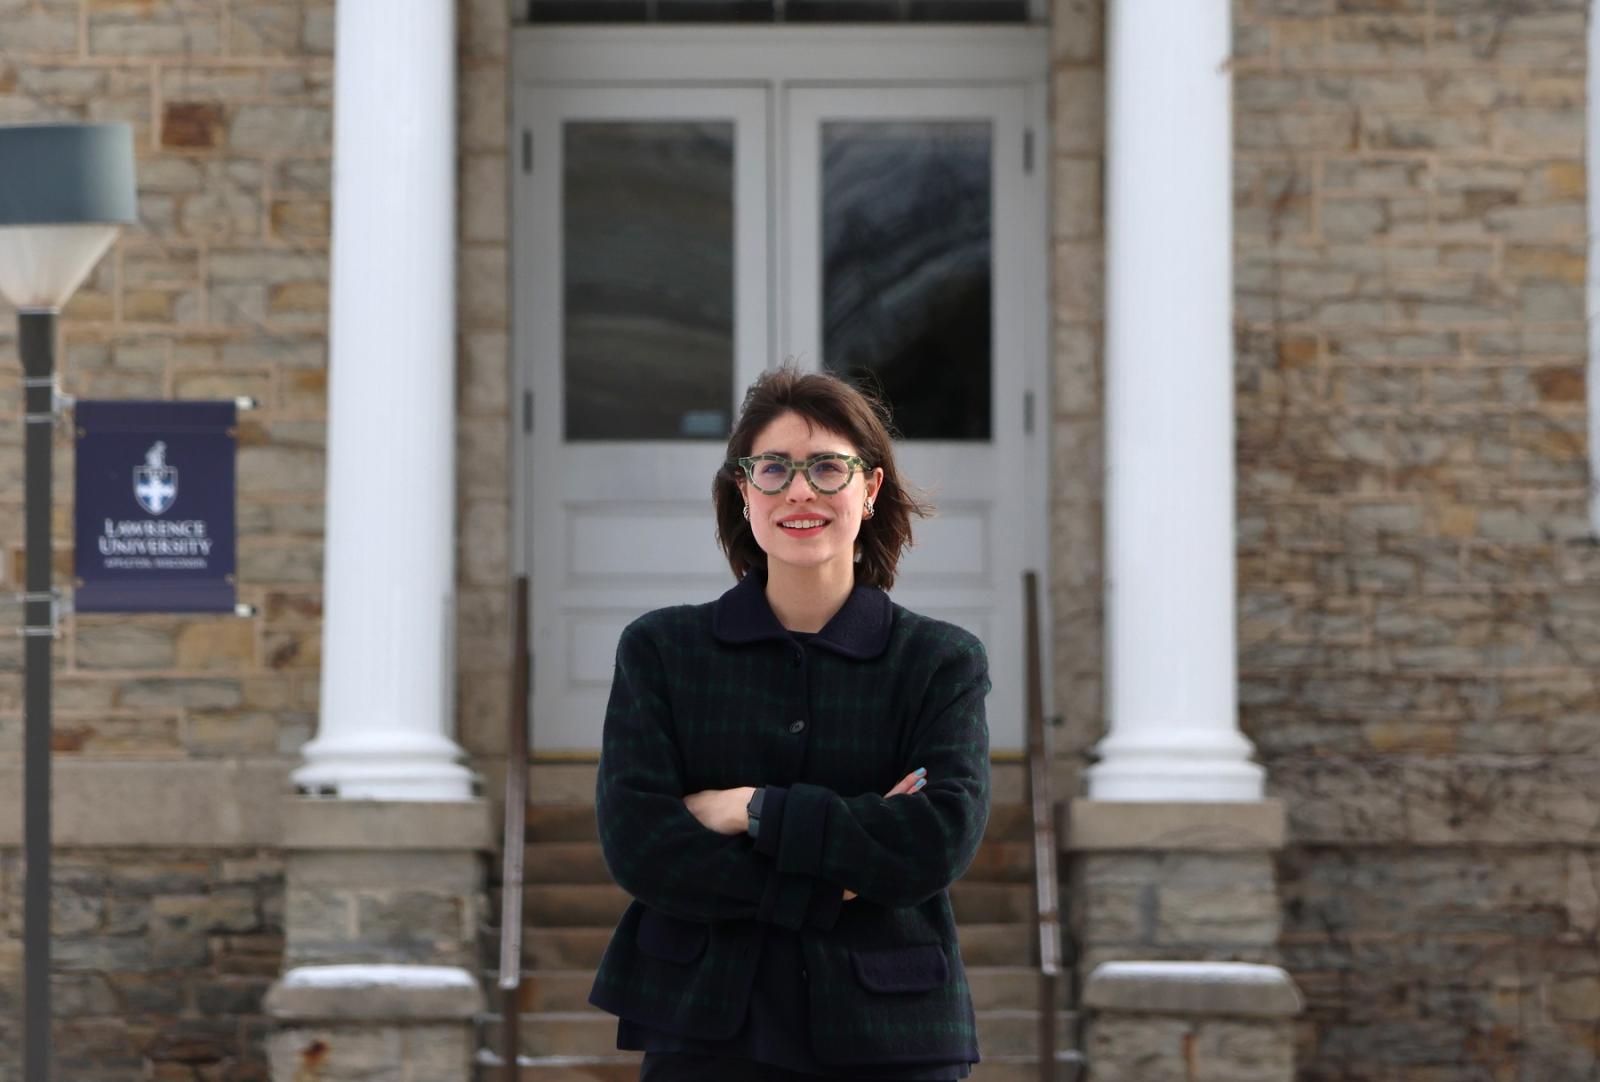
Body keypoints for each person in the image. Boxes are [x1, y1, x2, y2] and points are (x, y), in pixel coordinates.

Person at [588, 367, 992, 1081]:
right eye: (773, 468)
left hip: (893, 1036)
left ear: (869, 490)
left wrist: (752, 808)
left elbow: (935, 840)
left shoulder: (939, 662)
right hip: (706, 1028)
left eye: (828, 468)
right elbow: (641, 844)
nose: (799, 491)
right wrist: (833, 877)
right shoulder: (661, 651)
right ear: (744, 492)